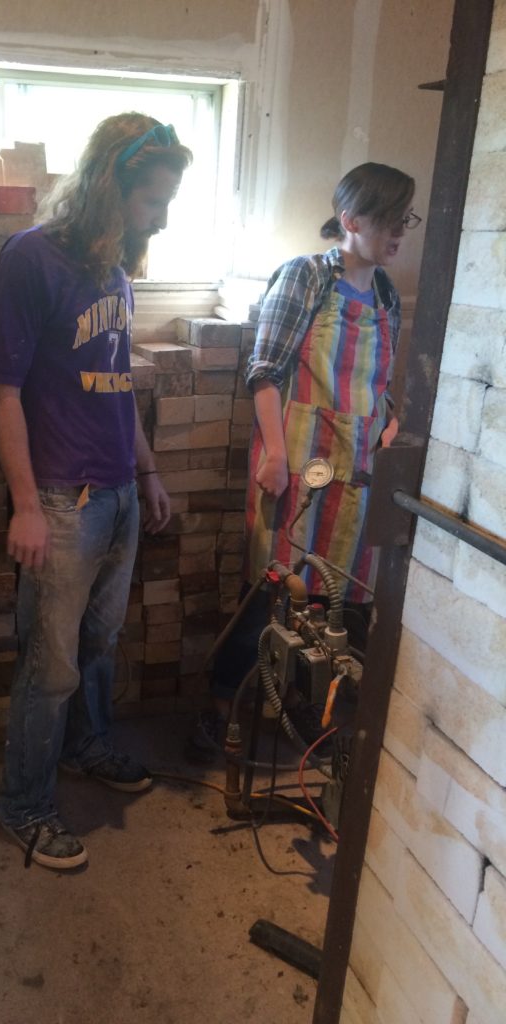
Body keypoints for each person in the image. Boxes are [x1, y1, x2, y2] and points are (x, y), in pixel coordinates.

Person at [0, 113, 192, 869]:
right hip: (64, 502)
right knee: (51, 663)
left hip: (118, 494)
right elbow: (3, 393)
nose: (161, 220)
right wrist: (28, 504)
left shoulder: (115, 269)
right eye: (151, 203)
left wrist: (147, 471)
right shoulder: (32, 260)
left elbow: (119, 386)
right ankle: (25, 807)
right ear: (111, 186)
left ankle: (86, 750)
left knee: (99, 643)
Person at [187, 161, 418, 761]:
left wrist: (390, 421)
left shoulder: (387, 294)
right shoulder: (305, 278)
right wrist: (276, 456)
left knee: (326, 600)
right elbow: (265, 371)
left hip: (358, 469)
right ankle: (220, 711)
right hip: (297, 460)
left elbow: (380, 379)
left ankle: (288, 701)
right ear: (351, 220)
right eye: (390, 221)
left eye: (405, 221)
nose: (399, 234)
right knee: (271, 591)